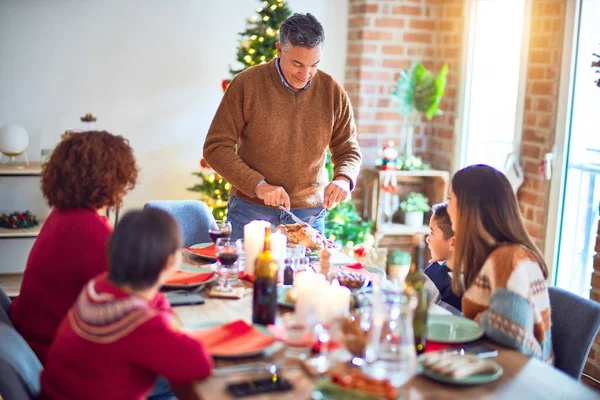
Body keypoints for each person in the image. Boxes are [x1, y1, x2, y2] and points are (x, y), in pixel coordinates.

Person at [203, 13, 362, 240]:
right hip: (250, 211)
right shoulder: (246, 85)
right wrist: (257, 185)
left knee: (308, 277)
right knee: (244, 276)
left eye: (314, 65)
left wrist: (343, 179)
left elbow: (349, 150)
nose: (305, 74)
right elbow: (215, 147)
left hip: (309, 216)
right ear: (279, 49)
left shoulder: (332, 92)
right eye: (297, 64)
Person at [40, 208, 213, 399]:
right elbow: (199, 364)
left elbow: (158, 307)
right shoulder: (139, 321)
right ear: (169, 263)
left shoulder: (98, 286)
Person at [10, 131, 138, 364]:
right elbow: (132, 298)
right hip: (61, 357)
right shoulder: (88, 229)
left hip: (38, 343)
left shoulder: (63, 216)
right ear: (109, 177)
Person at [447, 164, 553, 363]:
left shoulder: (508, 258)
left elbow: (513, 332)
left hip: (521, 381)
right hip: (500, 366)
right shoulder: (495, 256)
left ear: (468, 208)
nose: (447, 207)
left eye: (450, 199)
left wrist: (477, 321)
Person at [424, 202, 462, 315]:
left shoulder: (454, 290)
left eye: (432, 233)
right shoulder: (434, 269)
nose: (427, 239)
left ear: (453, 243)